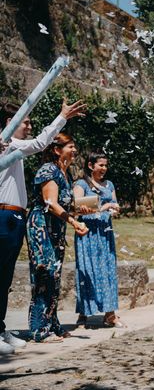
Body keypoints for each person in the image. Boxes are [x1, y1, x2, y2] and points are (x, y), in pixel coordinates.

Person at [0, 99, 85, 354]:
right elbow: (41, 143)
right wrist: (62, 116)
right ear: (9, 123)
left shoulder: (12, 146)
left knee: (4, 279)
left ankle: (1, 327)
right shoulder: (6, 143)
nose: (29, 126)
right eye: (26, 122)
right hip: (3, 214)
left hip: (15, 217)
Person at [26, 133, 89, 342]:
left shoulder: (65, 174)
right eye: (70, 146)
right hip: (41, 227)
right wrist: (74, 222)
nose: (74, 150)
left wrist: (81, 212)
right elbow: (50, 203)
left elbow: (65, 206)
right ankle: (39, 329)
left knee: (55, 276)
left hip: (56, 229)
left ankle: (52, 324)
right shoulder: (48, 170)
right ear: (56, 149)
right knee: (44, 274)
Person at [73, 152, 123, 328]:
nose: (104, 169)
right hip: (87, 232)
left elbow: (114, 203)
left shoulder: (109, 184)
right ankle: (83, 315)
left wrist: (114, 208)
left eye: (105, 165)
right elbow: (75, 208)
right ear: (90, 165)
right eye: (100, 165)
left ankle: (110, 314)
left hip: (105, 233)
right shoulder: (81, 184)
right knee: (87, 271)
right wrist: (104, 207)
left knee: (108, 271)